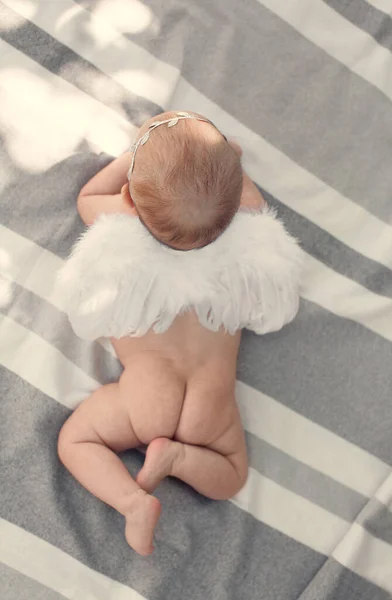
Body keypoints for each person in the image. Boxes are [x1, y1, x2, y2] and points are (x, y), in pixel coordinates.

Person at [57, 111, 302, 556]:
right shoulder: (246, 233)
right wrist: (233, 165)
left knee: (77, 440)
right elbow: (252, 204)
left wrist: (133, 154)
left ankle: (132, 503)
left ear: (130, 197)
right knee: (230, 476)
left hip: (145, 399)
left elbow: (88, 196)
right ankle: (176, 460)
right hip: (212, 403)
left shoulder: (122, 221)